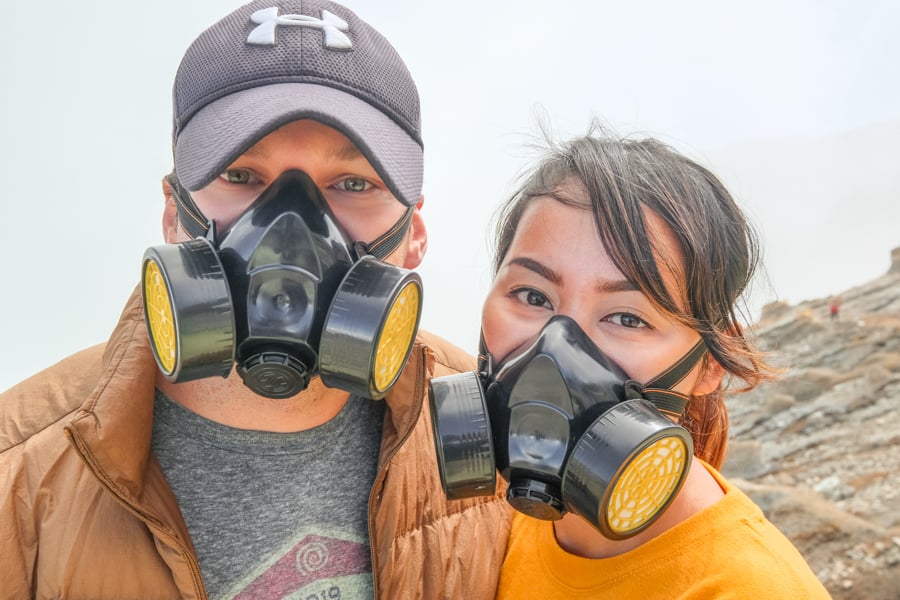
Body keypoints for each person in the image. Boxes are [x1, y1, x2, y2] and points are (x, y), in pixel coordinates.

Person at [0, 1, 511, 598]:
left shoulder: (490, 439)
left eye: (352, 184)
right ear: (173, 212)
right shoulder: (19, 473)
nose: (290, 230)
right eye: (241, 175)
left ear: (414, 230)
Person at [431, 126, 831, 598]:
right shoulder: (484, 519)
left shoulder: (747, 587)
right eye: (532, 294)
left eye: (626, 317)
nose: (554, 347)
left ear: (709, 365)